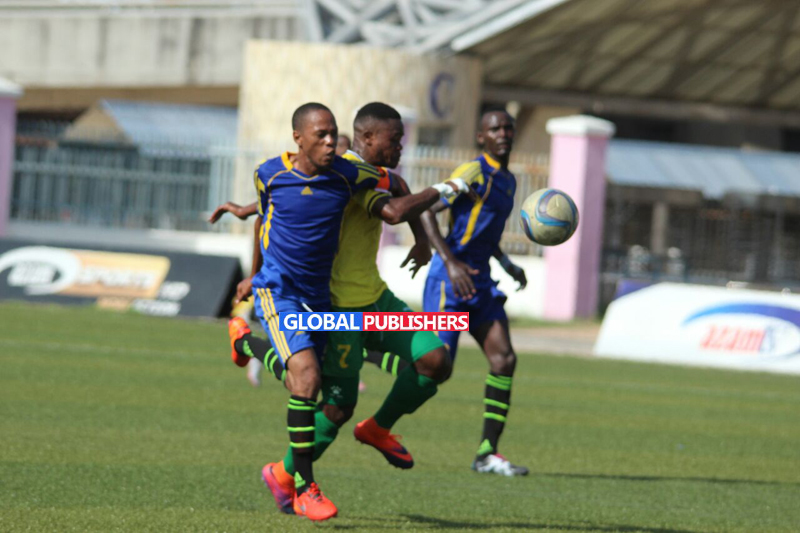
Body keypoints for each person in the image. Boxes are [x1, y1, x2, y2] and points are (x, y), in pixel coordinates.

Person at [232, 102, 471, 521]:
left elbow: (398, 185)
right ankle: (285, 474)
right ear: (367, 137)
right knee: (333, 404)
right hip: (336, 309)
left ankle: (375, 430)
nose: (400, 146)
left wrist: (421, 238)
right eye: (394, 139)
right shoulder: (346, 177)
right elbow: (390, 210)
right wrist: (450, 187)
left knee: (435, 360)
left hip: (375, 300)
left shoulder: (363, 173)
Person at [420, 106, 530, 477]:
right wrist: (450, 263)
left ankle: (487, 453)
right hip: (450, 280)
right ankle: (370, 348)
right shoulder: (472, 172)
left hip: (481, 282)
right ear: (481, 137)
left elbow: (485, 233)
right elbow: (427, 212)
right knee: (437, 368)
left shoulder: (509, 181)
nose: (503, 133)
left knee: (504, 359)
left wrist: (507, 264)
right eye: (495, 129)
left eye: (508, 128)